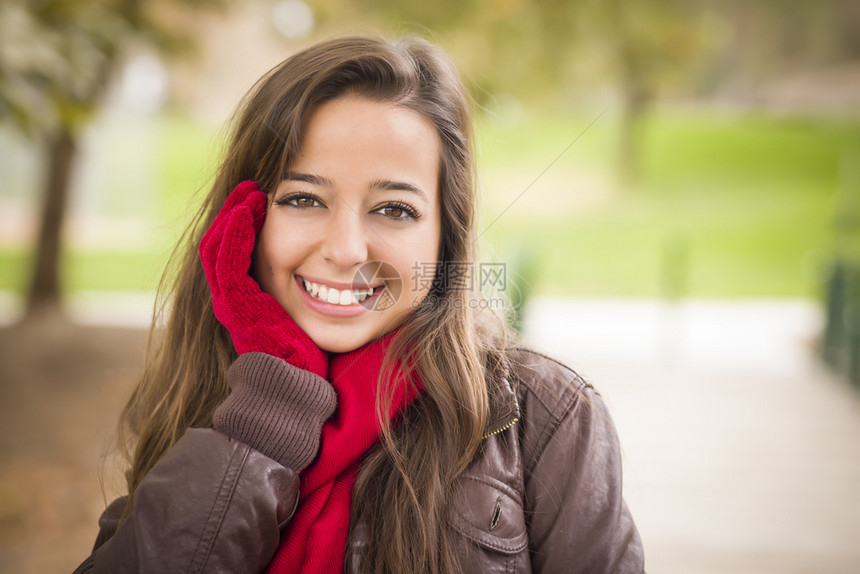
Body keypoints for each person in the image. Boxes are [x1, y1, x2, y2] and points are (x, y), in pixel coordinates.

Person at [74, 36, 644, 573]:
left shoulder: (545, 416)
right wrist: (266, 412)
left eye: (394, 209)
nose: (346, 250)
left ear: (445, 236)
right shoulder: (196, 395)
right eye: (303, 199)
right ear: (243, 219)